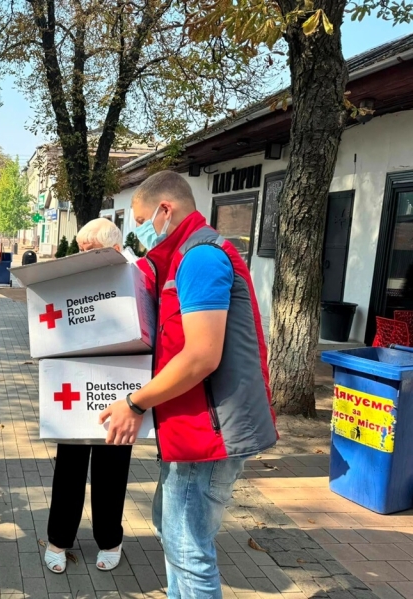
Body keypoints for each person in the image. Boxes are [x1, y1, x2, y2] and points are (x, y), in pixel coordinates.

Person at [99, 171, 277, 599]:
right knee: (171, 530)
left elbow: (201, 355)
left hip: (209, 432)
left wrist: (135, 404)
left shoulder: (199, 258)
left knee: (189, 549)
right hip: (190, 428)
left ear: (165, 210)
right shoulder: (180, 258)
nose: (140, 231)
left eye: (141, 219)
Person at [45, 218, 131, 575]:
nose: (81, 255)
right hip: (76, 384)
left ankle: (110, 538)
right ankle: (58, 539)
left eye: (88, 249)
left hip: (119, 383)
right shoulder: (74, 278)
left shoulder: (134, 276)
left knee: (112, 468)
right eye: (79, 249)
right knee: (69, 466)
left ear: (112, 249)